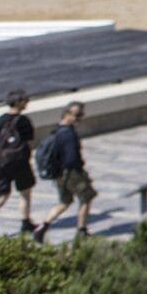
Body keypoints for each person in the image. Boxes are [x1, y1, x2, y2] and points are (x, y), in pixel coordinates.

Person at [0, 90, 37, 237]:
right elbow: (29, 142)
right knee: (25, 192)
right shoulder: (23, 121)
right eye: (25, 100)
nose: (27, 103)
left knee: (1, 195)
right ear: (19, 102)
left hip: (1, 162)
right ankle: (25, 222)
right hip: (20, 162)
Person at [33, 102, 93, 241]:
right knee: (86, 197)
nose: (80, 118)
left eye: (81, 115)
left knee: (64, 202)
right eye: (77, 115)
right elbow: (72, 158)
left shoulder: (56, 130)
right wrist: (80, 169)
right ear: (66, 114)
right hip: (72, 173)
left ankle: (42, 228)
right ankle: (82, 231)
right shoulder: (68, 134)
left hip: (59, 174)